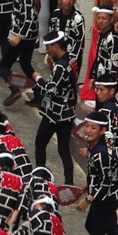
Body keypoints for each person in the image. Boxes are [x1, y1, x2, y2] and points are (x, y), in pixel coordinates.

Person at [32, 30, 76, 185]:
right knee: (64, 149)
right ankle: (69, 183)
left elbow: (51, 89)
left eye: (49, 47)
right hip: (68, 113)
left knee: (40, 142)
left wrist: (38, 79)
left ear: (56, 46)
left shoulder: (60, 67)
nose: (47, 50)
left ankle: (40, 175)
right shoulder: (70, 60)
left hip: (55, 114)